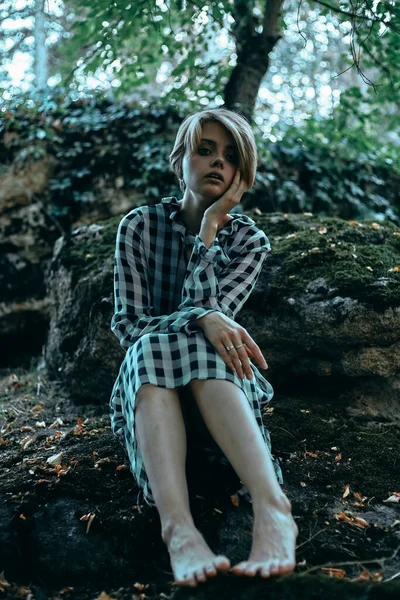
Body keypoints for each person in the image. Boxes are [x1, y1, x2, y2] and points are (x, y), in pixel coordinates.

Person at [109, 107, 298, 587]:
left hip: (218, 395)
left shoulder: (249, 242)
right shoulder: (139, 227)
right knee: (153, 346)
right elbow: (129, 326)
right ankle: (179, 533)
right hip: (154, 400)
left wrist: (211, 228)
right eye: (205, 150)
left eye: (231, 156)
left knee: (204, 341)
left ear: (243, 174)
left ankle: (273, 510)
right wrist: (201, 316)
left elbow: (217, 326)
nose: (218, 162)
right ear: (181, 161)